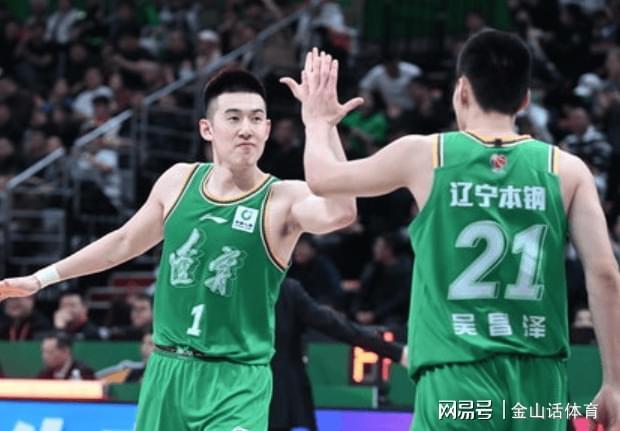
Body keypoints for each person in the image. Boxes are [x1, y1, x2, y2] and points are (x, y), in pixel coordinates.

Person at [280, 36, 620, 430]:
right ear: (525, 99)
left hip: (457, 376)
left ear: (462, 90)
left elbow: (323, 179)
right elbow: (605, 275)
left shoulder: (426, 155)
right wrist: (614, 382)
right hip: (539, 384)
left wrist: (318, 121)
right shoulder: (567, 169)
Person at [0, 68, 356, 430]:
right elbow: (123, 242)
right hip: (167, 372)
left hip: (236, 380)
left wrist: (322, 126)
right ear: (207, 129)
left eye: (256, 119)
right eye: (234, 118)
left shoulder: (283, 197)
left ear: (267, 129)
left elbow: (341, 211)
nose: (246, 129)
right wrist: (40, 279)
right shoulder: (178, 180)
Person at [270, 278, 407, 431]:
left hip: (267, 400)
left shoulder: (283, 290)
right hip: (278, 400)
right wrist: (396, 352)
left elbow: (334, 325)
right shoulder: (285, 289)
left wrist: (395, 352)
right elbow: (336, 326)